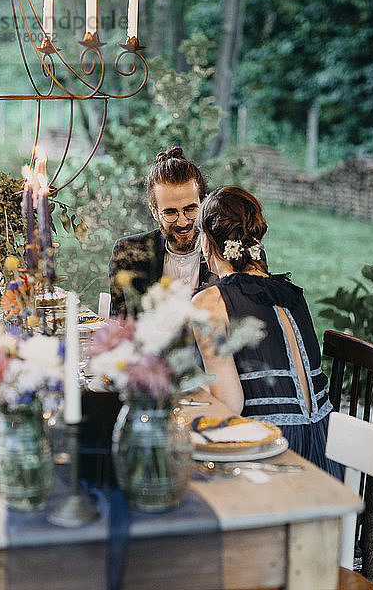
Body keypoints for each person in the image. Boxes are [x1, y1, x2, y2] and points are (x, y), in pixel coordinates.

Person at [192, 186, 342, 477]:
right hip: (325, 452)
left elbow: (229, 405)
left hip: (269, 451)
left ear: (208, 241)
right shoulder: (291, 294)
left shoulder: (209, 303)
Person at [109, 147, 217, 315]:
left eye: (190, 209)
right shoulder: (127, 253)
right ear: (154, 211)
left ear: (204, 203)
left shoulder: (228, 253)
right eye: (170, 212)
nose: (183, 222)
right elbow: (120, 328)